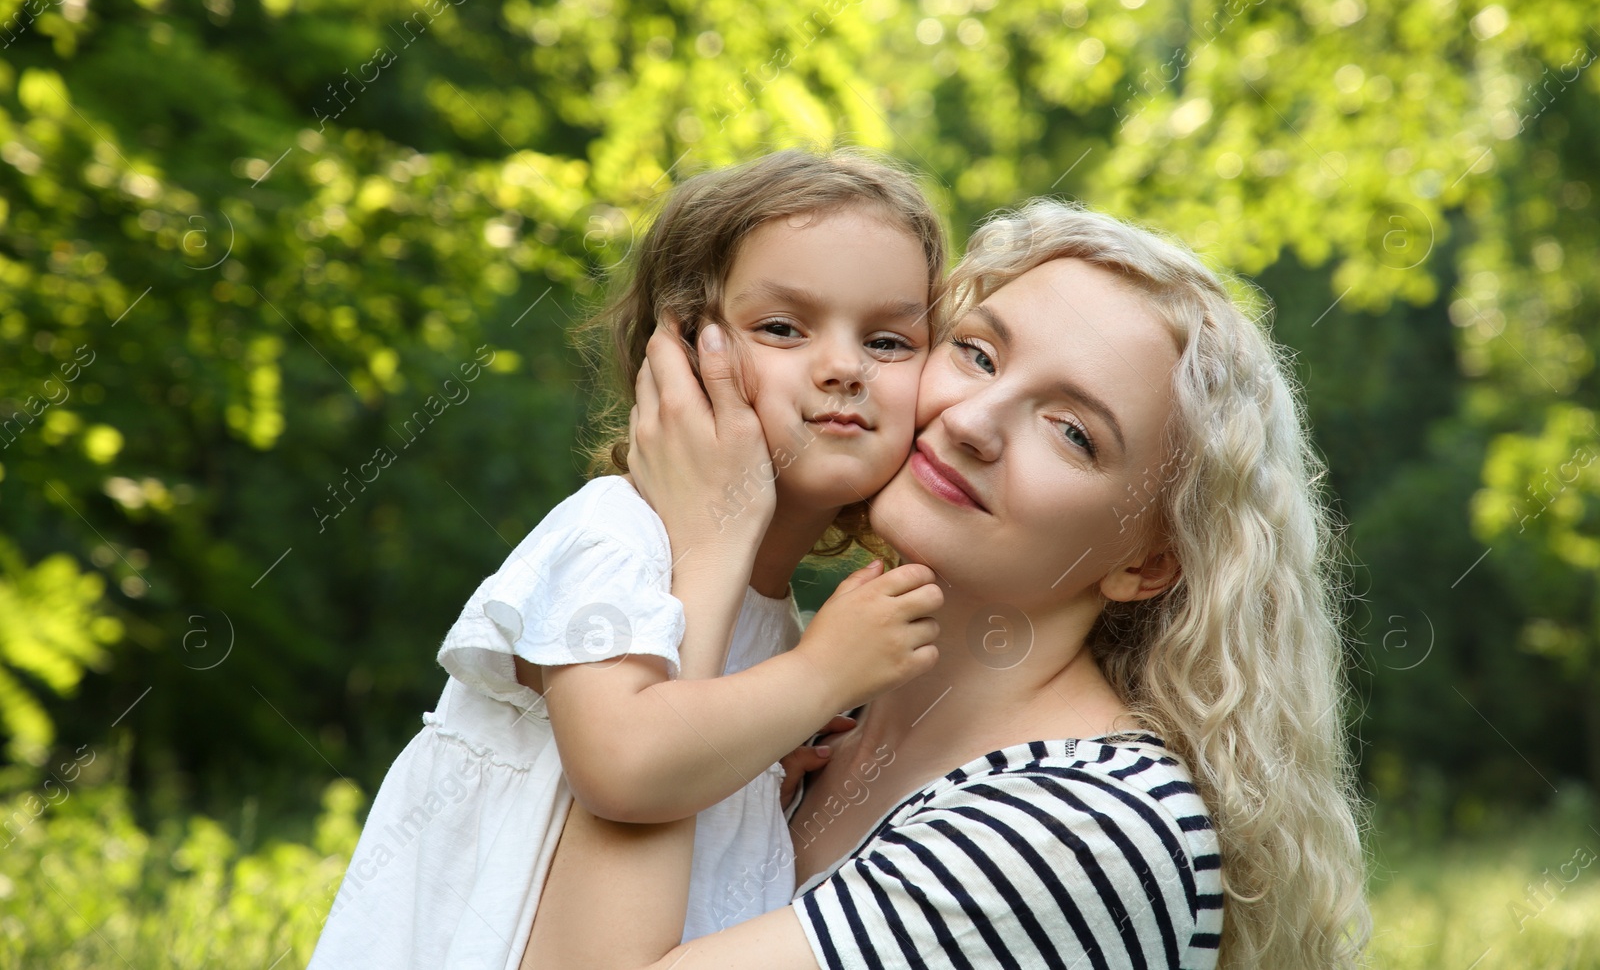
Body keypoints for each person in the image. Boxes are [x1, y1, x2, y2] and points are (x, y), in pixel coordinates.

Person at [522, 201, 1371, 969]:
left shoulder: (1093, 828)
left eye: (1073, 432)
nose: (970, 422)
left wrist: (705, 551)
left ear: (1145, 564)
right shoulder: (811, 720)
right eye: (977, 353)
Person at [307, 148, 952, 969]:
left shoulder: (774, 622)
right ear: (683, 352)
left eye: (890, 340)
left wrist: (763, 776)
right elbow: (626, 765)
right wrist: (822, 674)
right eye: (783, 327)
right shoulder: (614, 537)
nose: (843, 367)